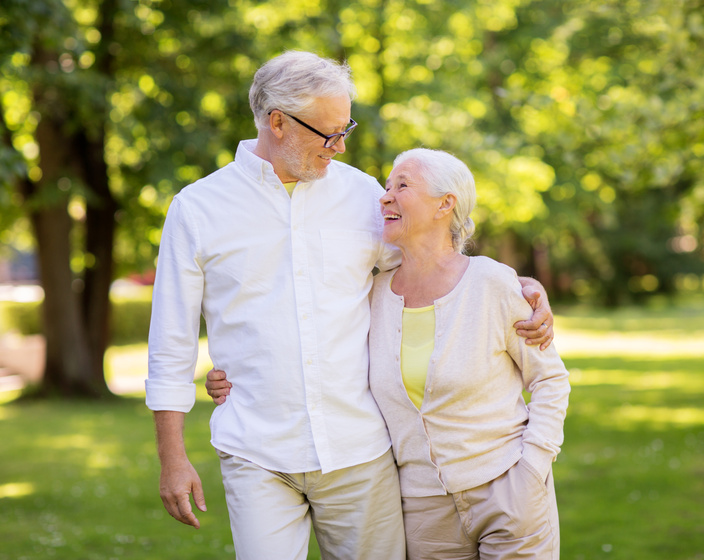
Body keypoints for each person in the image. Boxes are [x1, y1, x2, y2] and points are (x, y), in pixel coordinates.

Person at [146, 51, 555, 560]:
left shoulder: (364, 196)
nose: (339, 146)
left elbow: (432, 265)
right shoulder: (198, 209)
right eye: (329, 132)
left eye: (346, 130)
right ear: (278, 122)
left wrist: (521, 286)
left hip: (359, 449)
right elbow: (171, 343)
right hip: (256, 450)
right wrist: (173, 458)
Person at [372, 148, 570, 558]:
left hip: (509, 491)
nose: (386, 196)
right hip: (423, 511)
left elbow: (549, 378)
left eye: (402, 185)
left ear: (446, 204)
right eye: (387, 186)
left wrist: (532, 469)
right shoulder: (372, 295)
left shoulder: (491, 283)